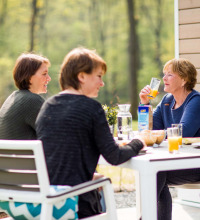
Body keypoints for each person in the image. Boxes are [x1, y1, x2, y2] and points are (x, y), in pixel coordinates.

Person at [36, 47, 145, 218]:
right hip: (75, 203)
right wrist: (139, 142)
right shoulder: (91, 108)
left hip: (45, 202)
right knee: (102, 184)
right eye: (99, 76)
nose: (102, 83)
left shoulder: (47, 106)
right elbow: (114, 156)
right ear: (81, 76)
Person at [139, 58, 200, 220]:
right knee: (155, 171)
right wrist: (145, 104)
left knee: (157, 173)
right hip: (177, 160)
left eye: (170, 75)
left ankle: (146, 216)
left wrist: (158, 135)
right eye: (164, 74)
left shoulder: (196, 101)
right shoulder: (167, 101)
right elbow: (153, 131)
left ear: (184, 80)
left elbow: (183, 133)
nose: (164, 78)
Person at [0, 53, 51, 140]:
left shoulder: (12, 98)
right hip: (26, 153)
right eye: (44, 74)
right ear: (29, 77)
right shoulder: (31, 100)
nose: (49, 78)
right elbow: (55, 132)